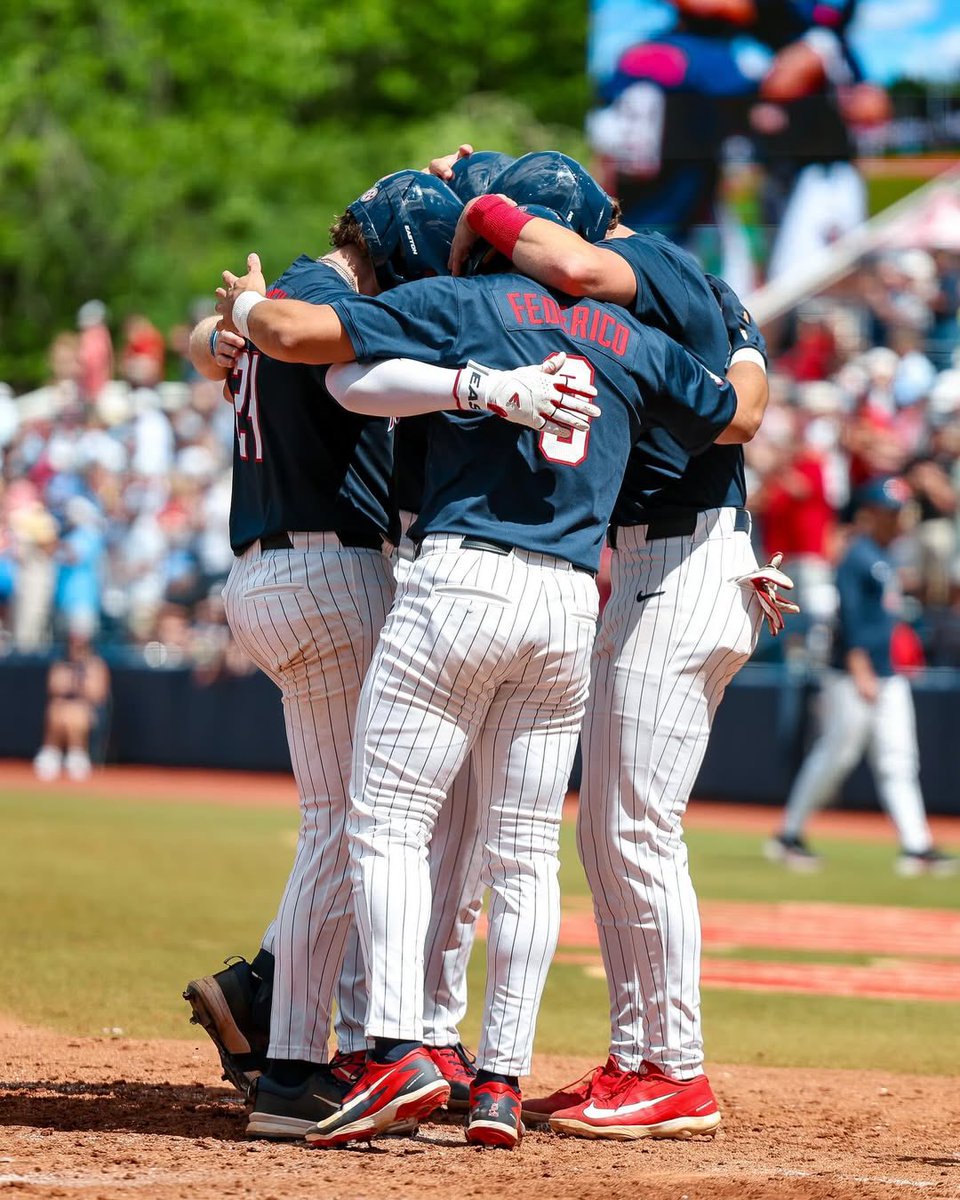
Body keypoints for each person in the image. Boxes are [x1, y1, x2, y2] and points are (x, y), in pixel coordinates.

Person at [214, 157, 767, 1148]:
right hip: (572, 598)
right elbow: (733, 412)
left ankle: (395, 1049)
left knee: (382, 825)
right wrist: (741, 335)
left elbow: (321, 355)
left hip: (461, 580)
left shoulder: (460, 300)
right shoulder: (625, 332)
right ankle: (500, 1080)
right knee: (523, 850)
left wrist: (248, 317)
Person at [184, 169, 583, 1138]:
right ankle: (303, 1055)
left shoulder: (287, 288)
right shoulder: (317, 297)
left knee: (367, 813)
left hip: (268, 567)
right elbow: (296, 336)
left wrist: (219, 322)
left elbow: (224, 339)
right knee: (360, 822)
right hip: (332, 572)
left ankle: (309, 1017)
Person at [444, 157, 793, 1140]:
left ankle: (674, 1070)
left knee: (634, 831)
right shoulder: (695, 294)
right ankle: (637, 1058)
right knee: (610, 829)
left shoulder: (652, 260)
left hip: (681, 567)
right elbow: (744, 400)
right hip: (671, 565)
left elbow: (582, 266)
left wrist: (480, 202)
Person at [767, 477, 956, 875]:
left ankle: (916, 846)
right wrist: (859, 668)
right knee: (837, 754)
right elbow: (848, 617)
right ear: (872, 515)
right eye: (890, 512)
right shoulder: (858, 555)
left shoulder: (883, 556)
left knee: (899, 760)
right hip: (855, 674)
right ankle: (788, 834)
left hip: (885, 672)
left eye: (899, 512)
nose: (898, 520)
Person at [33, 630, 110, 781]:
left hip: (89, 711)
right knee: (57, 709)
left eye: (81, 645)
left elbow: (97, 693)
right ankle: (51, 753)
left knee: (76, 713)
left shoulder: (95, 664)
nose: (76, 648)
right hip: (63, 707)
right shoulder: (61, 663)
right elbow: (54, 687)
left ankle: (77, 755)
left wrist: (76, 683)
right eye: (73, 644)